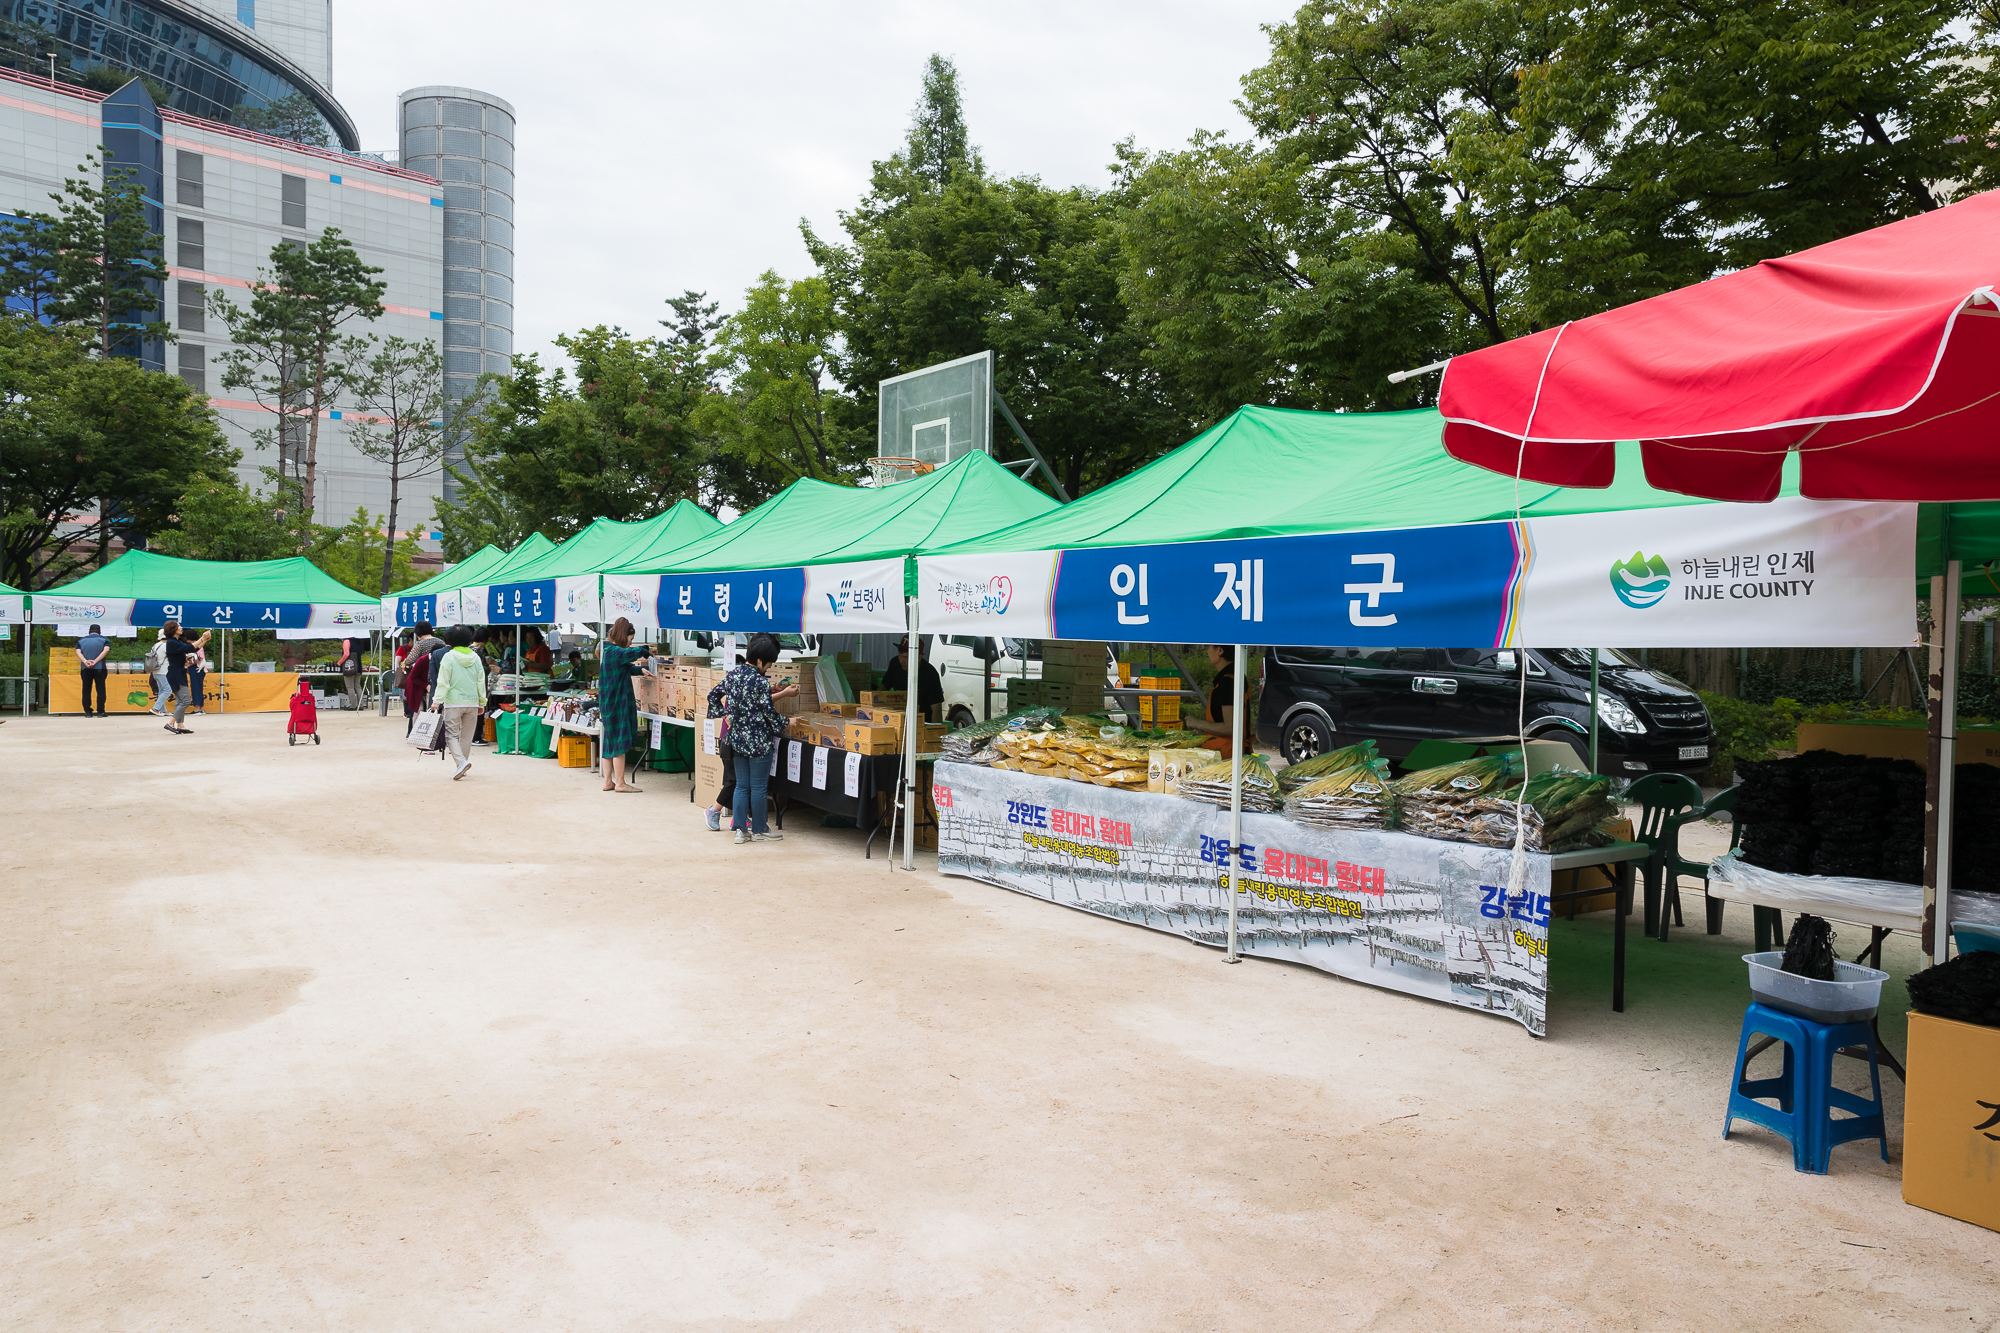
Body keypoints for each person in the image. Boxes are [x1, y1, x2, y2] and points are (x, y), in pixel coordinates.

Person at [724, 633, 797, 843]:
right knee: (757, 787)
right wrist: (787, 721)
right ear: (759, 660)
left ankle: (740, 830)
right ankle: (759, 829)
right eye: (768, 664)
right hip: (758, 743)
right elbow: (768, 712)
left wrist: (727, 716)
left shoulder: (733, 675)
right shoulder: (760, 681)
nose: (768, 668)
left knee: (741, 786)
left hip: (737, 740)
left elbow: (716, 696)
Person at [596, 617, 655, 793]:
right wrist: (647, 650)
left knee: (609, 742)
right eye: (630, 638)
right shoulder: (615, 651)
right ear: (624, 635)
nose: (630, 642)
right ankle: (620, 783)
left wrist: (640, 670)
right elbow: (632, 653)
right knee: (619, 743)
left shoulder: (608, 651)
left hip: (608, 703)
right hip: (617, 702)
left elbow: (624, 667)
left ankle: (608, 781)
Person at [432, 625, 488, 780]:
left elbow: (443, 681)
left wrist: (437, 701)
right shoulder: (475, 657)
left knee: (451, 735)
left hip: (453, 702)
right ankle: (461, 765)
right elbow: (480, 681)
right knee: (467, 737)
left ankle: (461, 762)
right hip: (472, 702)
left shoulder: (449, 657)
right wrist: (482, 702)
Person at [1185, 644, 1243, 758]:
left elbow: (1230, 727)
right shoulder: (1236, 676)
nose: (1207, 651)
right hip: (1228, 752)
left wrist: (1198, 723)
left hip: (1226, 755)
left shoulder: (1227, 683)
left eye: (1210, 646)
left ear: (1220, 650)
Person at [160, 620, 209, 734]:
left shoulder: (176, 641)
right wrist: (202, 638)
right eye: (179, 626)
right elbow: (190, 647)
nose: (181, 628)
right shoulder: (172, 642)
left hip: (178, 673)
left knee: (180, 701)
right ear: (173, 629)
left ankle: (180, 725)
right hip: (176, 674)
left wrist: (205, 640)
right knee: (186, 700)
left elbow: (193, 649)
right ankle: (171, 723)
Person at [704, 666, 736, 832]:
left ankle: (738, 817)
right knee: (733, 779)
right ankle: (714, 809)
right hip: (729, 739)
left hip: (733, 739)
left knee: (735, 780)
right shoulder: (738, 680)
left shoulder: (741, 679)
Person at [883, 635, 945, 720]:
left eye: (906, 657)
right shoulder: (895, 664)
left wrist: (936, 728)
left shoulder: (930, 674)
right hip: (898, 719)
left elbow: (936, 709)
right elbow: (883, 686)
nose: (902, 661)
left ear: (919, 657)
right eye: (900, 655)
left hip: (922, 721)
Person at [76, 624, 109, 717]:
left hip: (85, 668)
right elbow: (106, 650)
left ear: (89, 632)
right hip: (100, 668)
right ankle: (100, 712)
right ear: (100, 632)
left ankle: (87, 712)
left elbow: (78, 652)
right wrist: (95, 661)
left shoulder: (81, 640)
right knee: (100, 689)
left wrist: (85, 661)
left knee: (86, 689)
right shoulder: (104, 640)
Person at [145, 627, 172, 716]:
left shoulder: (155, 645)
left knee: (161, 690)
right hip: (163, 671)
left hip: (155, 671)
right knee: (168, 690)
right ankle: (155, 708)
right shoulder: (166, 645)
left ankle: (163, 710)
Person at [336, 634, 366, 711]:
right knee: (358, 686)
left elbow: (346, 654)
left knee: (350, 687)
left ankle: (352, 705)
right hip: (358, 667)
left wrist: (339, 662)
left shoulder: (346, 641)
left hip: (349, 667)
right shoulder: (357, 641)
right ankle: (361, 705)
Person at [186, 631, 209, 714]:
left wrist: (188, 658)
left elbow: (200, 657)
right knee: (199, 687)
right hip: (199, 668)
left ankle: (197, 708)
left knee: (195, 687)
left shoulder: (196, 645)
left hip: (196, 667)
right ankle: (201, 708)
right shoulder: (199, 644)